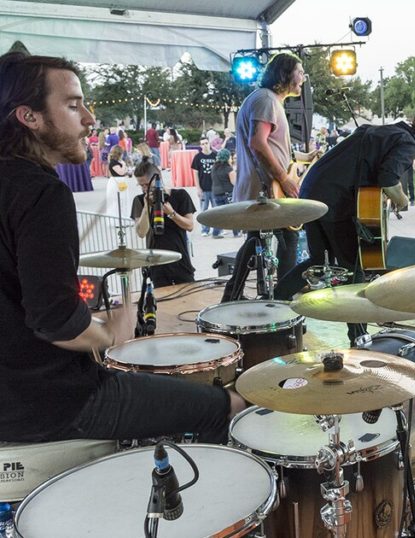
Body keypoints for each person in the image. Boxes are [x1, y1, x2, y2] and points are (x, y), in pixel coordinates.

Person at [0, 51, 242, 444]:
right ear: (29, 116)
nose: (90, 120)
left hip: (11, 398)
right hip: (51, 403)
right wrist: (109, 332)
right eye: (73, 105)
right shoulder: (41, 193)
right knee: (226, 406)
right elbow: (55, 321)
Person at [275, 117, 415, 344]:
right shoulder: (407, 144)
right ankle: (358, 336)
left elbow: (376, 168)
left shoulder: (388, 131)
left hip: (314, 189)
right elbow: (387, 178)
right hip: (336, 199)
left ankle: (276, 300)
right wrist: (402, 199)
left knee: (317, 260)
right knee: (353, 267)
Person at [222, 52, 312, 302]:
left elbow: (273, 146)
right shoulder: (267, 100)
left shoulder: (265, 99)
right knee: (289, 239)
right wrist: (284, 178)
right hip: (266, 188)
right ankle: (282, 300)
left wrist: (305, 156)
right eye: (299, 71)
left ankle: (232, 297)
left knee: (255, 243)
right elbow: (258, 143)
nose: (303, 77)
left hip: (265, 185)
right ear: (285, 74)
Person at [130, 158, 196, 286]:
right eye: (141, 185)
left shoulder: (181, 195)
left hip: (180, 258)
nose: (144, 189)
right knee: (162, 300)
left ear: (158, 178)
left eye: (147, 185)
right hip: (156, 261)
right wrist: (146, 207)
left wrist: (172, 213)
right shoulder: (138, 200)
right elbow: (141, 232)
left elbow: (190, 225)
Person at [191, 137, 219, 237]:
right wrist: (198, 188)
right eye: (202, 144)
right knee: (204, 210)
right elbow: (195, 173)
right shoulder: (197, 157)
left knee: (217, 210)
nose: (205, 145)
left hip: (215, 188)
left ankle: (217, 230)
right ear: (200, 146)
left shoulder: (215, 155)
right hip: (203, 188)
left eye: (206, 143)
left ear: (209, 144)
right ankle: (205, 230)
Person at [211, 149, 239, 238]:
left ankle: (215, 233)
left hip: (216, 193)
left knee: (219, 214)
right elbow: (234, 182)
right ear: (227, 157)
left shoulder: (214, 168)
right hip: (228, 193)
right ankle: (236, 232)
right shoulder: (228, 168)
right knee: (232, 213)